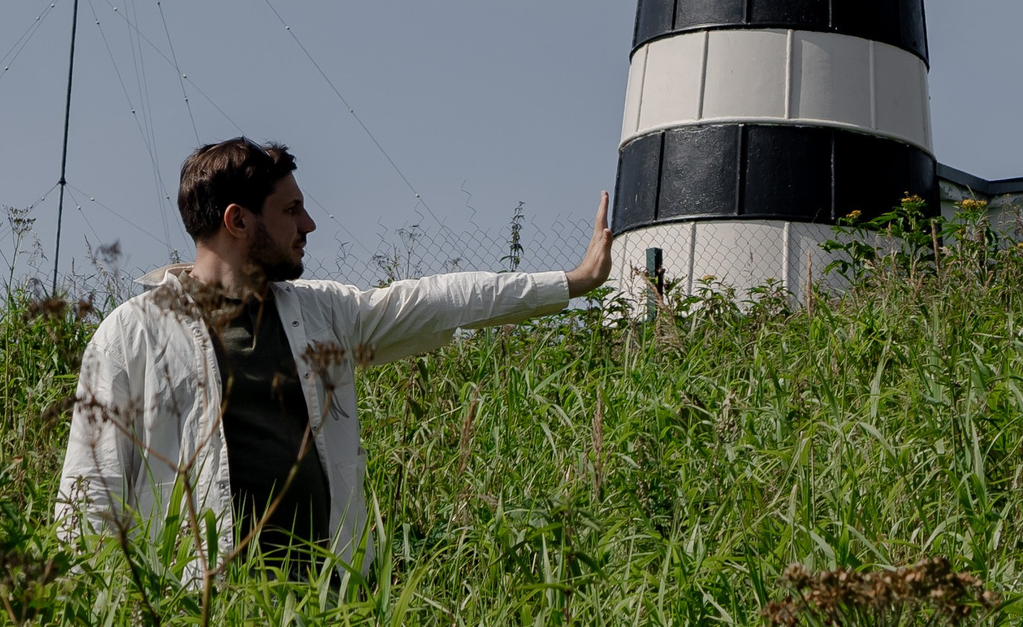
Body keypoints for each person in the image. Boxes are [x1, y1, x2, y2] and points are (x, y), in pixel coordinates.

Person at [54, 138, 614, 575]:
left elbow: (442, 300)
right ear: (237, 221)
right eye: (291, 209)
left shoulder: (321, 314)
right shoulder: (132, 336)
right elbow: (88, 492)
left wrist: (570, 283)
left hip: (326, 607)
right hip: (202, 619)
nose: (309, 225)